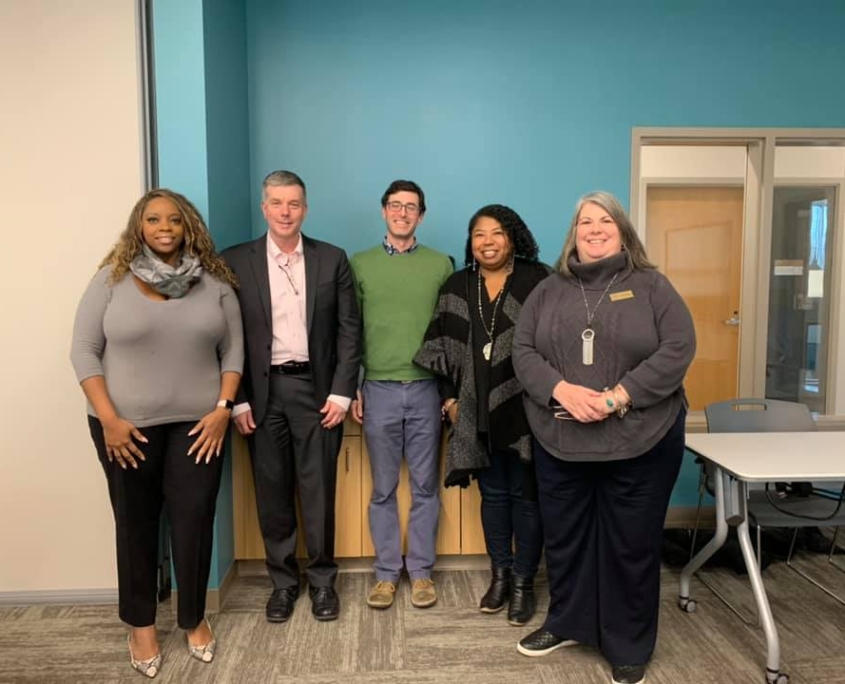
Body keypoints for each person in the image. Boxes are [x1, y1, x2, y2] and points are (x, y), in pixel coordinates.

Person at [511, 191, 696, 684]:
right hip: (561, 435)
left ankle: (628, 642)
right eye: (585, 222)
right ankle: (568, 621)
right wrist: (560, 389)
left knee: (630, 543)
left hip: (642, 437)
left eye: (605, 221)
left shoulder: (652, 286)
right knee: (567, 538)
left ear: (622, 230)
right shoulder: (549, 291)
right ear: (574, 232)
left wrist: (619, 396)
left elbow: (679, 347)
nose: (594, 229)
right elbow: (523, 349)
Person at [70, 189, 244, 678]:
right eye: (153, 219)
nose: (164, 227)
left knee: (193, 521)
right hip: (125, 428)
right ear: (139, 227)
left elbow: (233, 353)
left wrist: (223, 410)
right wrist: (109, 419)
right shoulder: (111, 280)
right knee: (136, 523)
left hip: (200, 427)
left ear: (188, 227)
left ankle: (192, 617)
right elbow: (84, 351)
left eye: (174, 219)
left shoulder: (215, 284)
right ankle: (141, 624)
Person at [222, 170, 361, 623]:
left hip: (316, 391)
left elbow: (348, 330)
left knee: (318, 491)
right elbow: (227, 335)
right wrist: (237, 398)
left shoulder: (332, 259)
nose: (285, 212)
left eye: (294, 204)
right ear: (264, 207)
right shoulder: (235, 261)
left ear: (305, 208)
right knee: (271, 492)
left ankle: (322, 583)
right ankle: (283, 584)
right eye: (277, 203)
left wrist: (343, 391)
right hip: (260, 394)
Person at [414, 204, 550, 625]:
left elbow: (556, 343)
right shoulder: (458, 284)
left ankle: (525, 583)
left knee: (528, 499)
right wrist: (451, 402)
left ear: (513, 237)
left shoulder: (538, 280)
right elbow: (439, 347)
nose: (487, 242)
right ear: (470, 242)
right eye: (479, 235)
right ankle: (501, 576)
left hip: (527, 409)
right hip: (474, 410)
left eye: (496, 233)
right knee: (493, 495)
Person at [349, 180, 453, 610]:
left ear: (422, 215)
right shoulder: (359, 264)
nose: (403, 213)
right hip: (378, 389)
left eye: (412, 207)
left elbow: (451, 333)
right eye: (396, 205)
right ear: (384, 211)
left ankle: (422, 572)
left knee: (427, 486)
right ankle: (387, 575)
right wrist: (352, 387)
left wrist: (449, 393)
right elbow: (349, 332)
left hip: (428, 389)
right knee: (383, 489)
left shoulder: (441, 265)